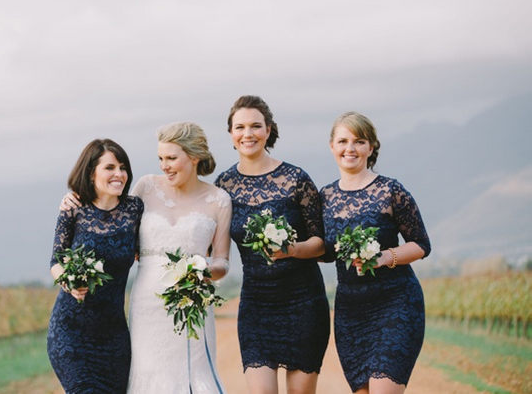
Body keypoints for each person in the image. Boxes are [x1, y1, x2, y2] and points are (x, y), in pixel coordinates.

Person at [61, 122, 231, 393]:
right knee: (148, 374)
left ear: (195, 156)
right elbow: (109, 214)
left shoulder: (219, 200)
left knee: (193, 375)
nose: (164, 165)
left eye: (172, 158)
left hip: (190, 303)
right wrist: (75, 199)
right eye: (161, 158)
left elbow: (222, 261)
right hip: (146, 303)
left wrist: (202, 271)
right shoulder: (146, 187)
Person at [214, 95, 330, 394]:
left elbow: (321, 243)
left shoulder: (295, 178)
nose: (247, 134)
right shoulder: (223, 186)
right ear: (231, 134)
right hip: (256, 306)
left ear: (268, 130)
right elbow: (210, 242)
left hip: (303, 302)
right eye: (239, 127)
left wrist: (291, 250)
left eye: (255, 126)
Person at [320, 111, 431, 394]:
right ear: (332, 146)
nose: (350, 149)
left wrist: (383, 257)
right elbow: (324, 251)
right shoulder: (324, 198)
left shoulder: (391, 191)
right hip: (351, 310)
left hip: (396, 303)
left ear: (371, 147)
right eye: (343, 141)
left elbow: (420, 244)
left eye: (359, 141)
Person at [47, 139, 143, 394]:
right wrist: (69, 282)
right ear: (91, 173)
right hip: (72, 333)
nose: (119, 174)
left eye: (122, 167)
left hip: (114, 335)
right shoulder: (74, 209)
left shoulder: (135, 209)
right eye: (110, 167)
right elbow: (55, 262)